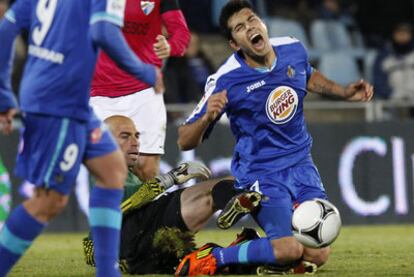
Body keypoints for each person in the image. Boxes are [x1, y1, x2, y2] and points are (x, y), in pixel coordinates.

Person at [175, 1, 374, 276]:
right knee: (288, 249)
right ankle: (215, 257)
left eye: (252, 19)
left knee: (318, 252)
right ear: (235, 44)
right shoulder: (226, 79)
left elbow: (307, 75)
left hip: (302, 165)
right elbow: (184, 140)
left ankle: (259, 253)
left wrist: (343, 92)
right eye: (240, 28)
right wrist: (207, 117)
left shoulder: (292, 48)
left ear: (262, 23)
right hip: (261, 173)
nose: (250, 28)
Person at [0, 0, 163, 276]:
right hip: (57, 102)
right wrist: (145, 70)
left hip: (67, 100)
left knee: (112, 170)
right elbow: (103, 31)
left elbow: (7, 27)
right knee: (49, 201)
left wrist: (4, 92)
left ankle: (107, 272)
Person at [82, 115, 262, 274]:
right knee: (217, 188)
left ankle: (245, 260)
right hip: (142, 231)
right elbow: (126, 200)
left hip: (142, 249)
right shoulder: (106, 167)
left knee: (198, 261)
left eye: (137, 135)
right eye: (125, 136)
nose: (135, 141)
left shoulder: (118, 171)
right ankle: (263, 224)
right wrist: (172, 178)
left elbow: (98, 235)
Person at [89, 0, 191, 181]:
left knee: (146, 170)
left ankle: (145, 210)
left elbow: (181, 33)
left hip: (143, 91)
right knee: (104, 170)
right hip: (98, 93)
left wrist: (170, 46)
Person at [373, 23, 414, 101]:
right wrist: (392, 94)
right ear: (393, 34)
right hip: (392, 103)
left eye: (406, 32)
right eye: (399, 32)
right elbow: (378, 82)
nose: (402, 35)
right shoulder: (383, 56)